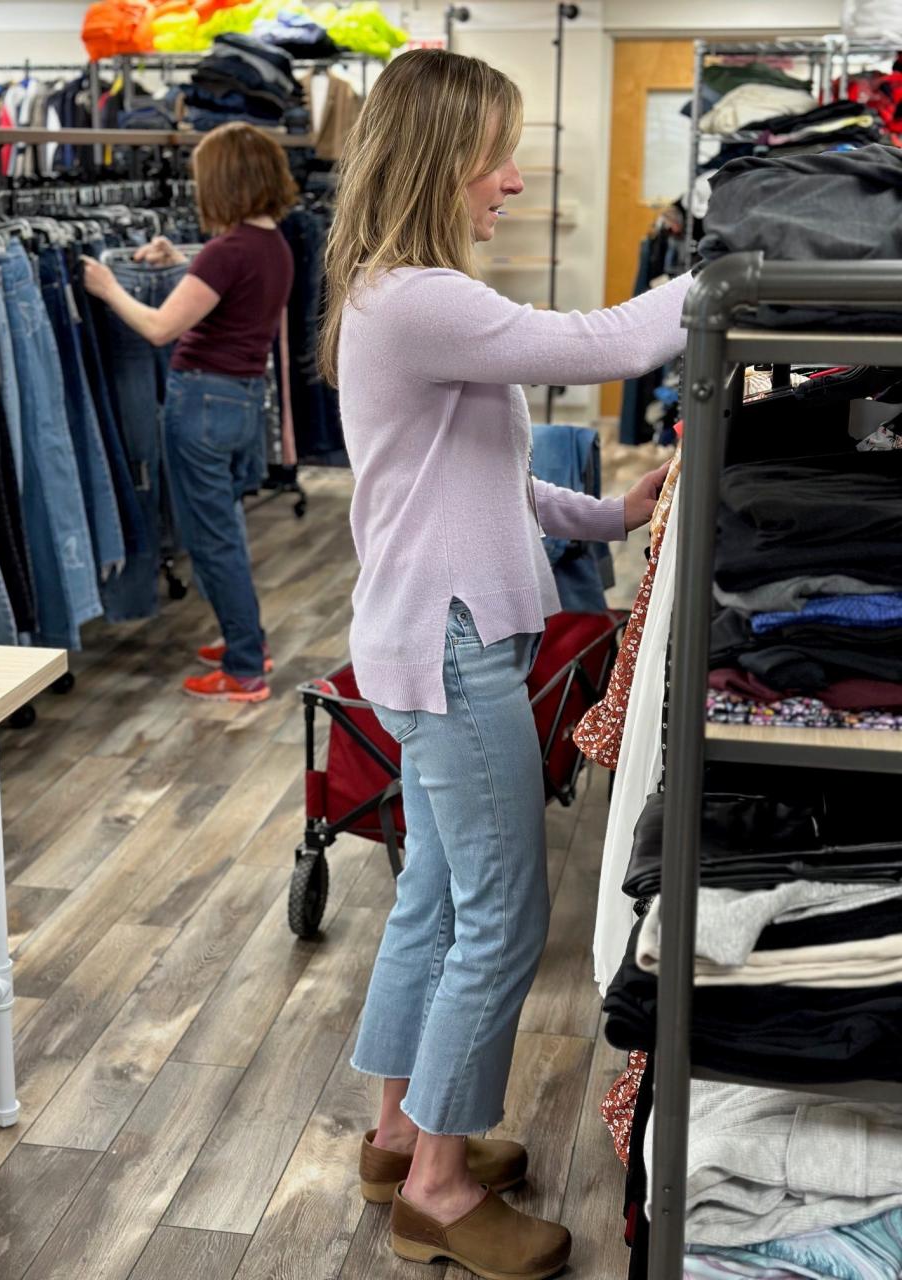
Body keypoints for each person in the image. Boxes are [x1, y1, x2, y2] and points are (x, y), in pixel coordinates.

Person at [320, 49, 693, 1280]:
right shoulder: (420, 298)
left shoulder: (397, 298)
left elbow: (488, 483)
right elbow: (603, 336)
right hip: (453, 644)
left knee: (434, 899)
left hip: (434, 632)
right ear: (441, 159)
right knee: (502, 916)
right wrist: (719, 274)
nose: (516, 181)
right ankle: (435, 1183)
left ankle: (397, 1138)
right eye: (498, 155)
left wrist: (611, 513)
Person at [83, 121, 296, 703]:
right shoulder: (270, 243)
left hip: (202, 401)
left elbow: (158, 327)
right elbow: (226, 291)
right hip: (242, 399)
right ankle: (245, 640)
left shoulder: (228, 251)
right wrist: (182, 261)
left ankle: (245, 666)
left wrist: (107, 287)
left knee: (212, 539)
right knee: (223, 528)